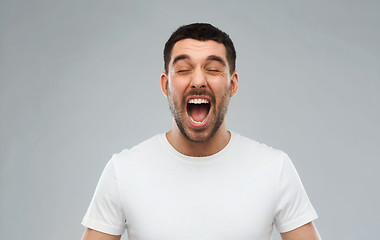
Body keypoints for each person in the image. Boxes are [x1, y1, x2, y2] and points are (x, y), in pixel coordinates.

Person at [81, 23, 321, 240]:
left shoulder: (274, 168)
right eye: (184, 69)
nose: (198, 80)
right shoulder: (123, 170)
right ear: (166, 85)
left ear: (233, 84)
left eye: (214, 69)